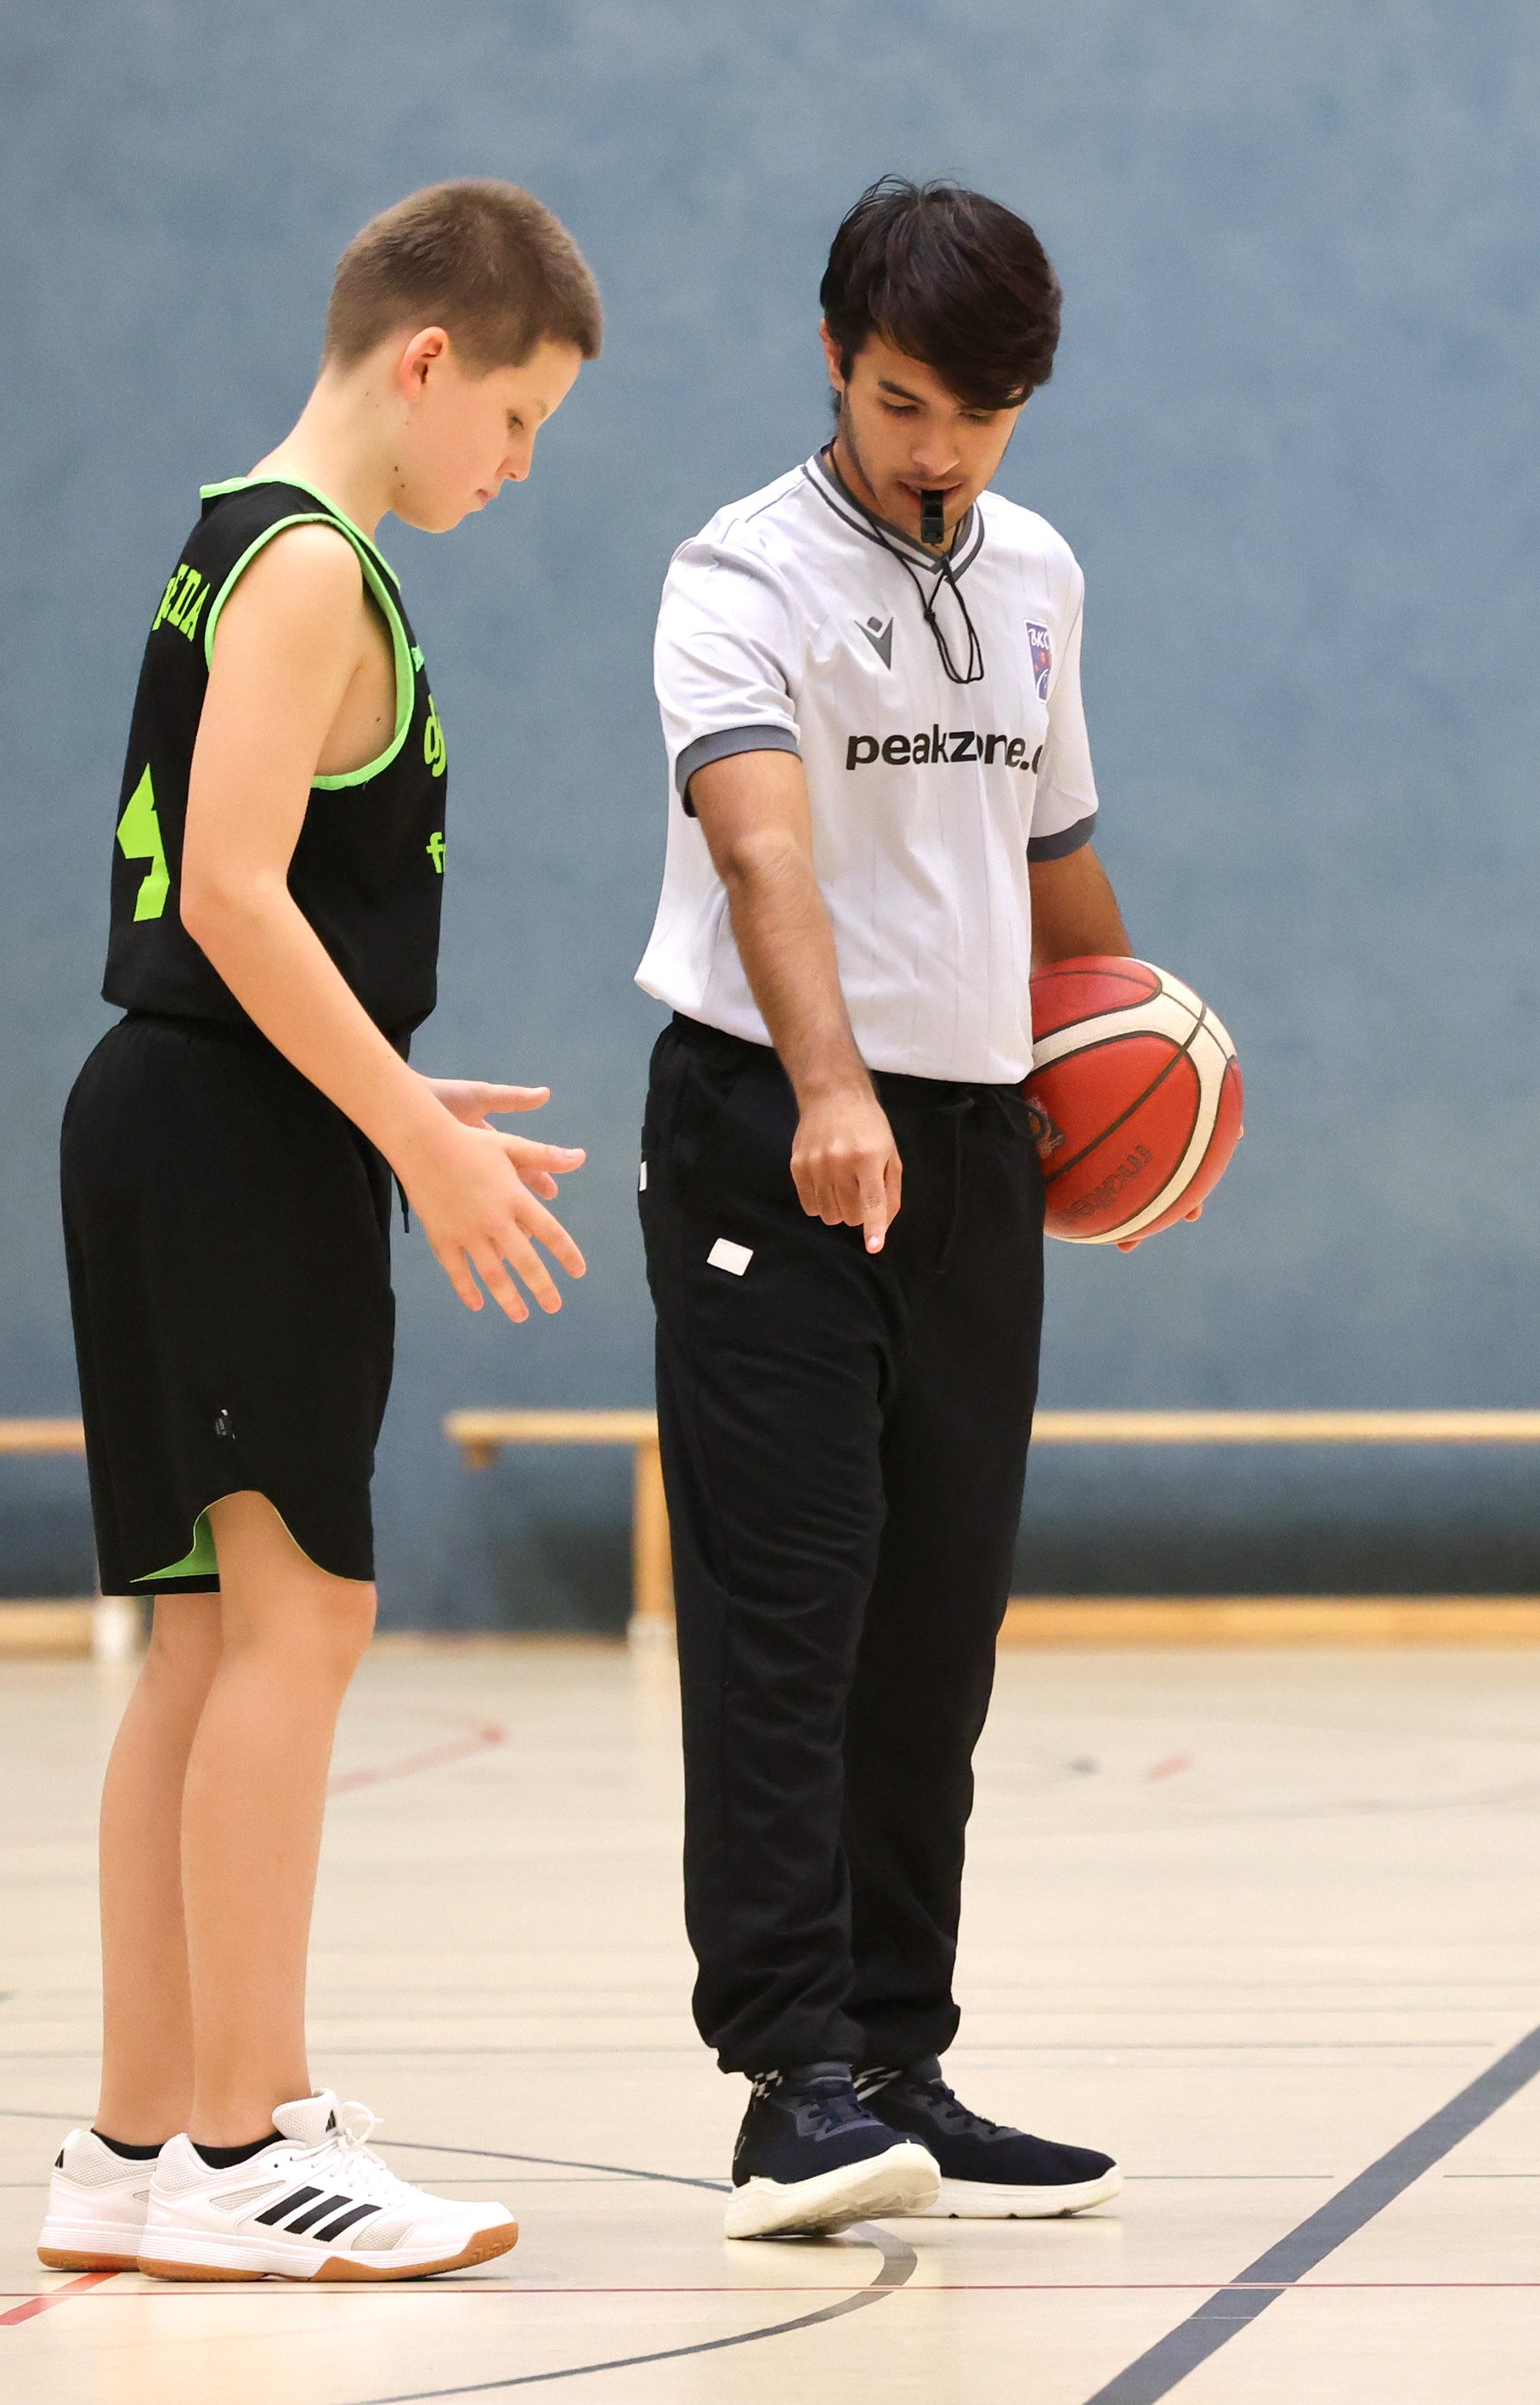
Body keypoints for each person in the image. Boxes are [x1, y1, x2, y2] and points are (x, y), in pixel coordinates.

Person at [37, 181, 599, 2284]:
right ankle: (246, 2138)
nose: (517, 468)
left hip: (189, 1115)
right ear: (429, 358)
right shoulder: (307, 564)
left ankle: (132, 2147)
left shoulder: (239, 535)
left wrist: (399, 1099)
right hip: (227, 1133)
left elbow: (250, 905)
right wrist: (412, 1134)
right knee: (302, 1623)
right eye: (519, 419)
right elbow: (229, 893)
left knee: (210, 1640)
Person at [637, 177, 1135, 2239]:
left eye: (984, 413)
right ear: (835, 359)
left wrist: (1149, 1074)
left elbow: (1056, 863)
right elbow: (763, 853)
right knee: (794, 1606)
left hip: (976, 1139)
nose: (942, 451)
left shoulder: (1040, 572)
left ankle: (900, 2057)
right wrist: (833, 1088)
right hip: (774, 1122)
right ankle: (788, 2079)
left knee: (939, 1617)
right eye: (907, 401)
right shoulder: (737, 572)